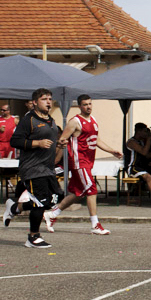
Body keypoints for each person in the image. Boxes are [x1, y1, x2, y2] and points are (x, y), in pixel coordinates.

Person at [45, 95, 122, 234]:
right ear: (80, 106)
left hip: (88, 161)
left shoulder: (93, 120)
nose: (88, 107)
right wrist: (61, 145)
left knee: (78, 192)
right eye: (85, 104)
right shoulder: (75, 122)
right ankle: (95, 225)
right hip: (78, 162)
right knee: (91, 189)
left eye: (90, 104)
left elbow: (97, 140)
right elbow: (62, 139)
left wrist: (112, 151)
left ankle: (52, 214)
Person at [2, 88, 61, 249]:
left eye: (50, 99)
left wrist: (59, 144)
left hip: (48, 167)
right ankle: (33, 237)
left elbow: (50, 139)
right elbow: (15, 141)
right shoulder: (28, 119)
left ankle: (15, 208)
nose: (48, 102)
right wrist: (37, 143)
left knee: (54, 199)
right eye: (44, 99)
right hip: (33, 168)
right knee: (40, 202)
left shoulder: (50, 119)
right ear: (34, 102)